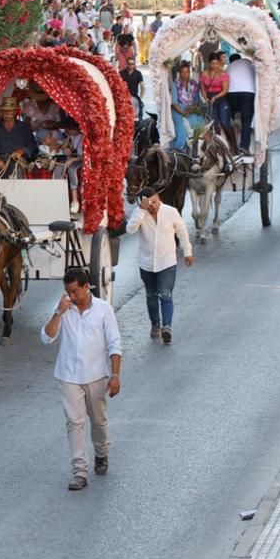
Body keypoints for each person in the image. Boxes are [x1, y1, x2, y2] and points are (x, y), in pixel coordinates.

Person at [40, 268, 123, 491]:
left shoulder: (104, 310)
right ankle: (80, 471)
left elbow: (115, 344)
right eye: (68, 292)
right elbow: (47, 337)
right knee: (74, 423)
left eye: (75, 291)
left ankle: (102, 453)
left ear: (87, 287)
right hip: (69, 375)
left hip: (97, 375)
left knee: (98, 421)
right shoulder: (64, 309)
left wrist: (115, 375)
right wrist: (58, 313)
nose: (72, 296)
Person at [124, 191, 194, 343]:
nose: (152, 206)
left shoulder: (171, 212)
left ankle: (167, 326)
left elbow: (182, 232)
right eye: (149, 204)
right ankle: (155, 323)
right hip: (146, 263)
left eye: (154, 202)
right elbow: (130, 230)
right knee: (151, 295)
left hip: (167, 262)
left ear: (159, 199)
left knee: (165, 294)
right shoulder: (140, 214)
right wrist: (141, 211)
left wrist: (187, 251)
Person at [0, 95, 38, 178]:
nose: (7, 113)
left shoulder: (24, 128)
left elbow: (32, 145)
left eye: (10, 111)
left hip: (16, 160)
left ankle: (18, 191)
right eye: (4, 111)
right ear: (1, 112)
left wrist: (21, 151)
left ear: (15, 112)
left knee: (18, 171)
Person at [225, 52, 258, 156]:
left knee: (231, 120)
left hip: (231, 93)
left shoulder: (229, 67)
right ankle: (244, 146)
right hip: (248, 93)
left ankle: (231, 146)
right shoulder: (250, 63)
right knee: (246, 122)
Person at [168, 60, 205, 150]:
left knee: (199, 124)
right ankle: (179, 150)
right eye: (183, 72)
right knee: (182, 128)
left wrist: (192, 109)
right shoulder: (175, 84)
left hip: (190, 108)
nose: (185, 74)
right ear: (179, 73)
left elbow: (196, 100)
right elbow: (174, 103)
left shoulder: (194, 84)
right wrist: (183, 112)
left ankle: (195, 148)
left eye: (187, 72)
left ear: (190, 72)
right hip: (178, 109)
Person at [200, 53, 231, 145]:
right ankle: (218, 144)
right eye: (213, 63)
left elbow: (225, 90)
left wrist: (215, 97)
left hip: (221, 97)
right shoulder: (204, 74)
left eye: (217, 63)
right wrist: (205, 98)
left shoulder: (223, 74)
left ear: (219, 63)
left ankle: (230, 142)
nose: (215, 66)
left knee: (224, 122)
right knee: (213, 123)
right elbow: (202, 88)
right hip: (209, 98)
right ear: (209, 63)